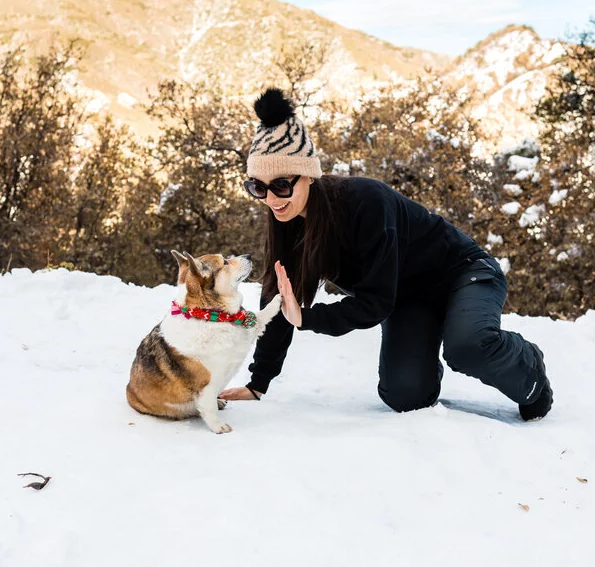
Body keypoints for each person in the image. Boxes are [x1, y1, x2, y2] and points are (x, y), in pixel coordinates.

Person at [218, 88, 553, 421]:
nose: (271, 199)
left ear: (308, 174)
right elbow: (279, 298)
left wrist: (309, 319)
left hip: (463, 274)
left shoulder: (365, 202)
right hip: (408, 299)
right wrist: (259, 382)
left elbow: (374, 302)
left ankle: (529, 367)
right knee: (405, 395)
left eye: (280, 185)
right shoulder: (286, 220)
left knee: (467, 348)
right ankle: (428, 350)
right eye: (257, 188)